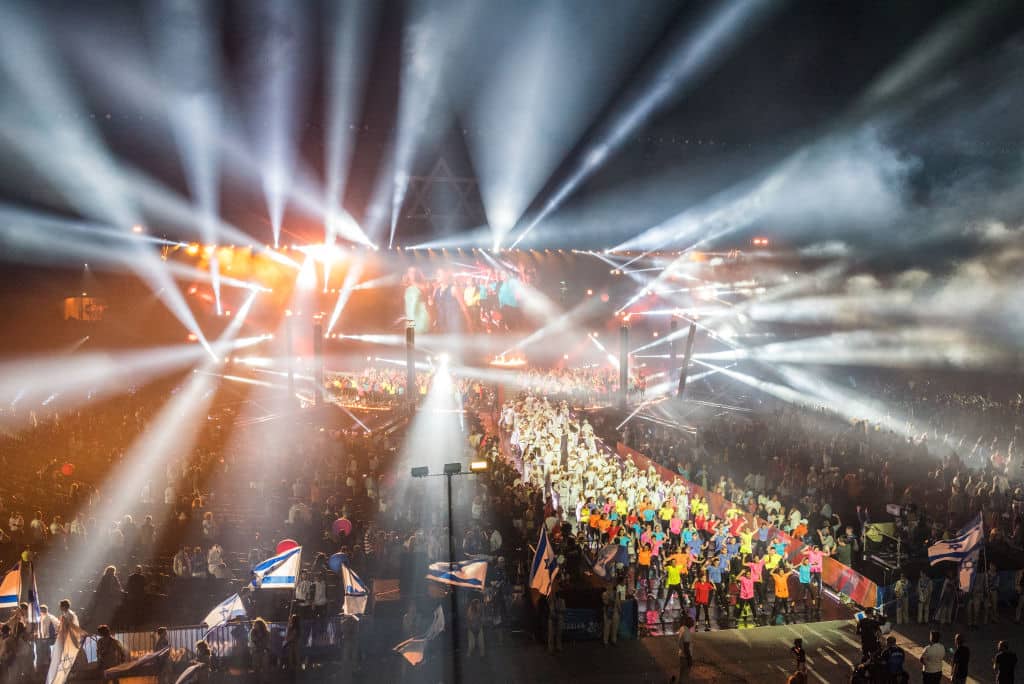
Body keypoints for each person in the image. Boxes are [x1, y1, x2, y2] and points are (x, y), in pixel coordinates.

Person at [546, 588, 565, 654]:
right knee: (551, 634)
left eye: (558, 594)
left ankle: (558, 647)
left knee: (559, 634)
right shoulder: (551, 600)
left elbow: (563, 610)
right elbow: (549, 608)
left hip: (559, 619)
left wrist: (557, 611)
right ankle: (550, 649)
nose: (557, 595)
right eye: (556, 594)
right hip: (551, 619)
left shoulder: (562, 601)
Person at [677, 612, 694, 679]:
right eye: (691, 620)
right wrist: (689, 658)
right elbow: (686, 647)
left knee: (682, 675)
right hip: (685, 657)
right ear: (688, 622)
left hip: (682, 655)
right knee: (685, 676)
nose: (693, 622)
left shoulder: (682, 628)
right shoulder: (686, 632)